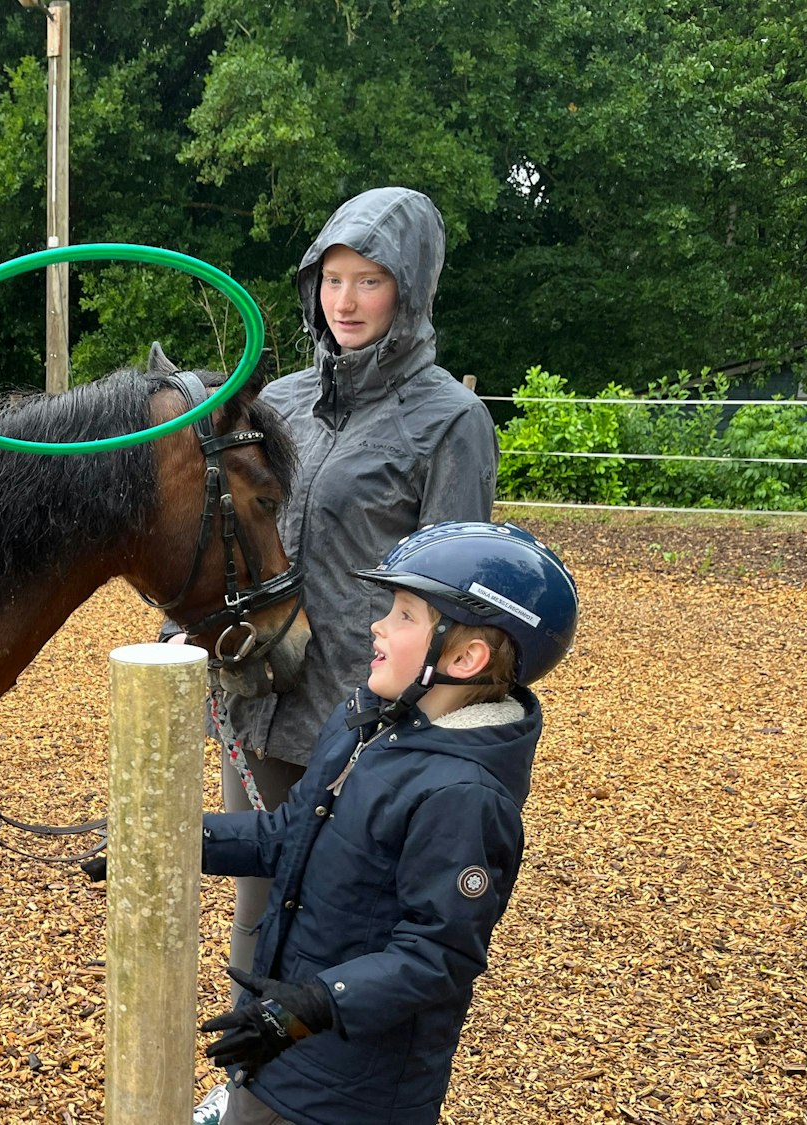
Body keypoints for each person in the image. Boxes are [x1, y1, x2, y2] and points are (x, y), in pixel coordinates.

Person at [193, 521, 579, 1125]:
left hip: (354, 1090)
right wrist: (169, 844)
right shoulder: (367, 722)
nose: (379, 624)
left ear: (464, 656)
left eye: (404, 615)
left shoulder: (463, 797)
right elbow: (290, 833)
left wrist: (307, 1010)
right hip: (279, 1045)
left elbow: (438, 954)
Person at [212, 186, 498, 992]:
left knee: (338, 913)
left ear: (409, 287)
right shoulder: (283, 401)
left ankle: (313, 1096)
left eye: (369, 279)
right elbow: (240, 532)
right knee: (256, 903)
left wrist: (414, 720)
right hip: (256, 693)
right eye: (332, 278)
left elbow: (453, 588)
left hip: (358, 713)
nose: (346, 300)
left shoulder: (450, 420)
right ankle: (245, 1095)